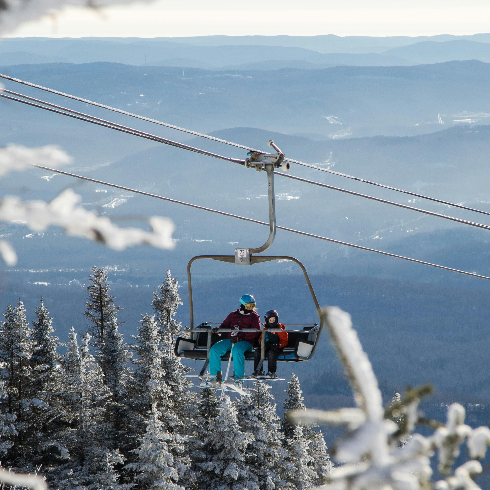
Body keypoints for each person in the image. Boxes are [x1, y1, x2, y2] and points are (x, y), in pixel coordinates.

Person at [205, 294, 261, 386]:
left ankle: (238, 379)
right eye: (249, 306)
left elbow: (256, 331)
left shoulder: (254, 317)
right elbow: (224, 326)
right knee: (214, 350)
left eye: (253, 306)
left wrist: (241, 337)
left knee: (237, 350)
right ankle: (215, 377)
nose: (251, 308)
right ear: (242, 305)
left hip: (246, 342)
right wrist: (219, 331)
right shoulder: (233, 315)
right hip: (231, 340)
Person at [253, 309, 288, 378]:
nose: (272, 322)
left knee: (271, 353)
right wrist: (262, 343)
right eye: (270, 320)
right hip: (266, 347)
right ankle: (258, 371)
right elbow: (261, 338)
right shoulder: (265, 330)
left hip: (276, 348)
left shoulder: (280, 329)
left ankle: (271, 372)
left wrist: (278, 345)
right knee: (258, 351)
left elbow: (284, 340)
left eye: (274, 320)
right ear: (267, 321)